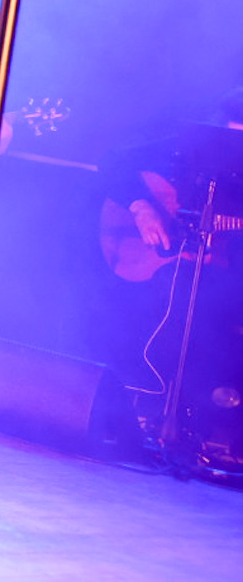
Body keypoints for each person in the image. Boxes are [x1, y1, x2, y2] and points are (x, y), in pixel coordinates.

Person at [97, 89, 243, 468]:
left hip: (216, 277)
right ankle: (138, 414)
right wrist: (143, 208)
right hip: (158, 273)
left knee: (210, 329)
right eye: (230, 136)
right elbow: (113, 162)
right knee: (157, 318)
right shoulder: (181, 145)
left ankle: (197, 429)